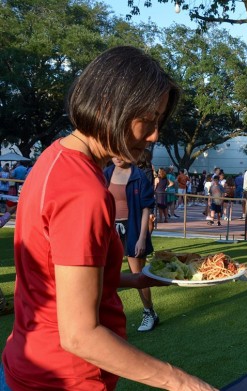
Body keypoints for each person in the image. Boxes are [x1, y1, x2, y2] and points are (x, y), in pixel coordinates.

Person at [1, 46, 216, 390]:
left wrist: (140, 280)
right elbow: (80, 336)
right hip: (62, 378)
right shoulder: (84, 192)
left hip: (26, 363)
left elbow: (63, 284)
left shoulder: (55, 157)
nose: (155, 134)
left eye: (159, 121)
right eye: (148, 118)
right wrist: (185, 383)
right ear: (108, 105)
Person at [104, 157, 159, 332]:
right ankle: (105, 315)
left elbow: (146, 208)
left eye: (122, 152)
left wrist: (143, 237)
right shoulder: (105, 173)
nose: (118, 157)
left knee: (137, 274)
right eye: (114, 152)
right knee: (105, 273)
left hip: (133, 227)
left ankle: (149, 312)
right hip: (110, 228)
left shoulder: (139, 176)